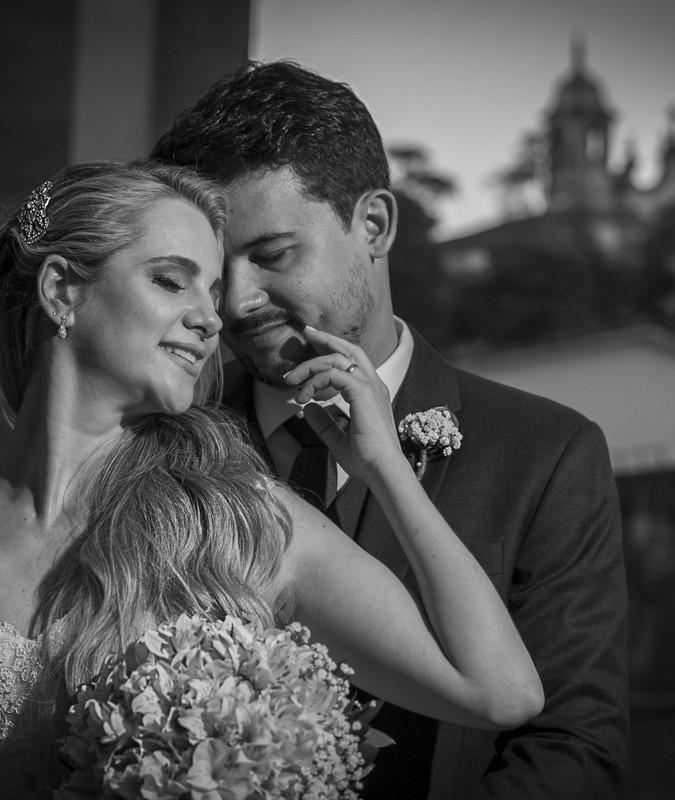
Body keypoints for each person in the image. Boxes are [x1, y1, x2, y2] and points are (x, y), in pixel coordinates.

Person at [0, 161, 543, 800]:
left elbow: (499, 692)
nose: (211, 318)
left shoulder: (239, 518)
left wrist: (385, 464)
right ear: (62, 289)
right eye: (171, 280)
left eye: (213, 290)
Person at [151, 60, 630, 799]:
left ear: (373, 224)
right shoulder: (166, 451)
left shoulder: (546, 453)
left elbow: (574, 747)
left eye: (274, 255)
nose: (238, 302)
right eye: (218, 269)